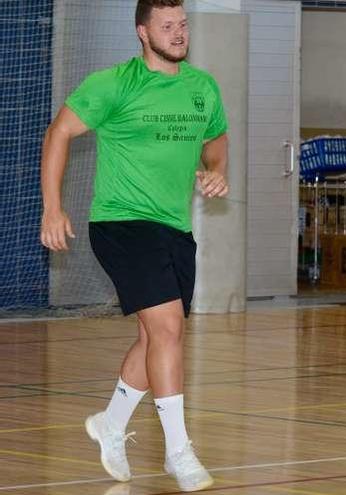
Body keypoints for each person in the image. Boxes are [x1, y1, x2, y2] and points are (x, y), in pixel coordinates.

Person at [39, 0, 228, 491]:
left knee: (155, 338)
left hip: (174, 228)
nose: (179, 33)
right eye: (167, 26)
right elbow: (59, 132)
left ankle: (111, 424)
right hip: (121, 223)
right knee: (166, 328)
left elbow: (217, 137)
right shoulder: (113, 84)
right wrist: (52, 207)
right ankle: (178, 452)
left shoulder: (202, 87)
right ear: (143, 32)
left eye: (183, 24)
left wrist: (215, 170)